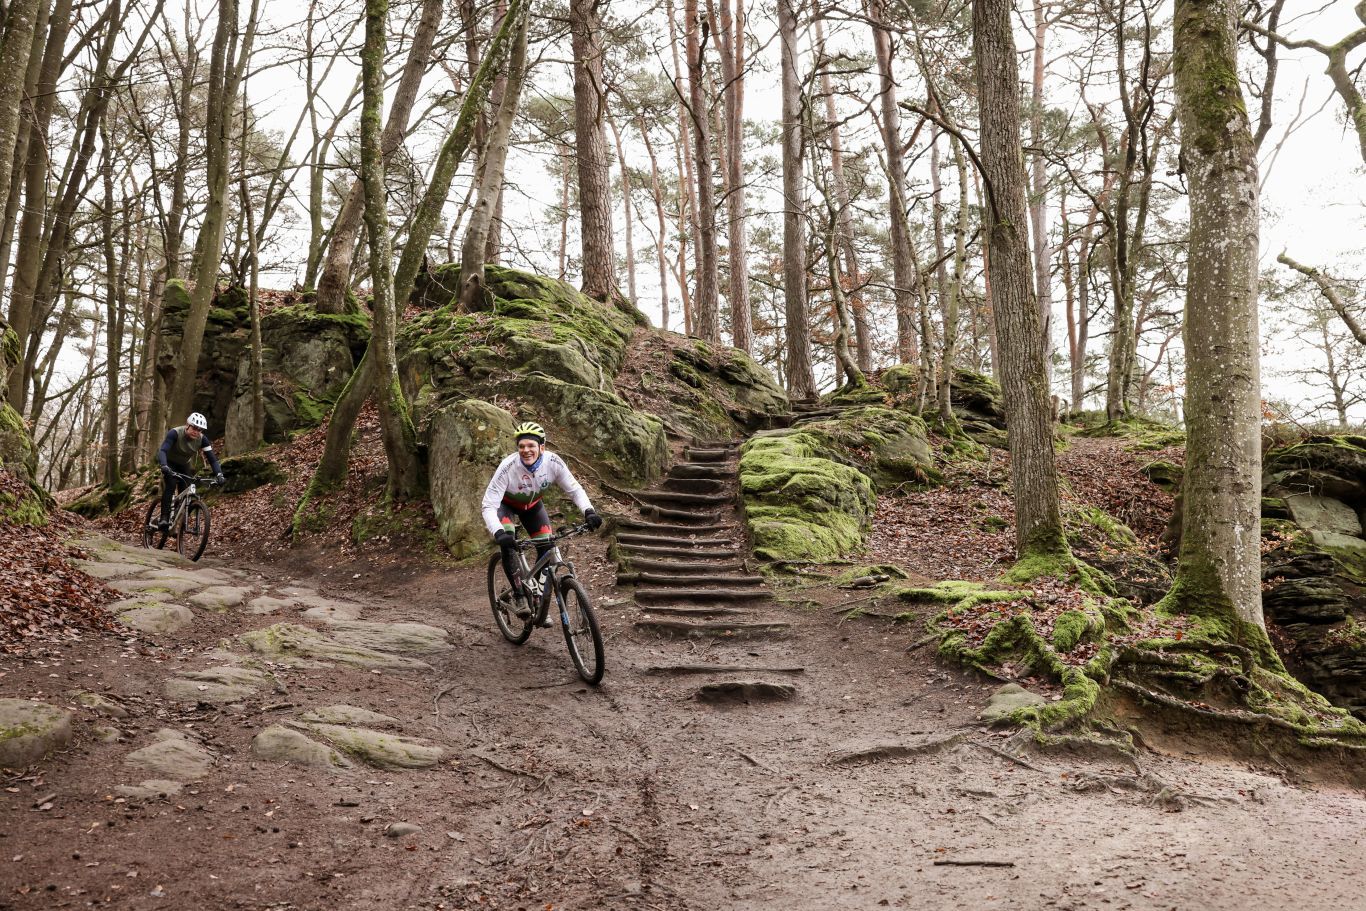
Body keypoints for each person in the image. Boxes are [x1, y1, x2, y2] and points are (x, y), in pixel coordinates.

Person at [482, 421, 602, 620]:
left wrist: (589, 511)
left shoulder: (553, 462)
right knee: (509, 544)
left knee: (547, 545)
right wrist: (498, 532)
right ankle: (520, 594)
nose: (526, 450)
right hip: (506, 506)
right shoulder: (508, 467)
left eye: (531, 446)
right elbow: (488, 505)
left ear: (541, 447)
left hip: (533, 506)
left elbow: (574, 489)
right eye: (521, 446)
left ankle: (535, 593)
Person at [152, 412, 224, 531]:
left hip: (184, 465)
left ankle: (177, 522)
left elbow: (213, 459)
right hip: (169, 462)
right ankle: (164, 518)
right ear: (187, 425)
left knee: (186, 490)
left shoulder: (202, 439)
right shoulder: (175, 433)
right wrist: (164, 465)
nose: (196, 431)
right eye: (194, 428)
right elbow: (163, 450)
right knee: (170, 484)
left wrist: (219, 474)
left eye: (200, 430)